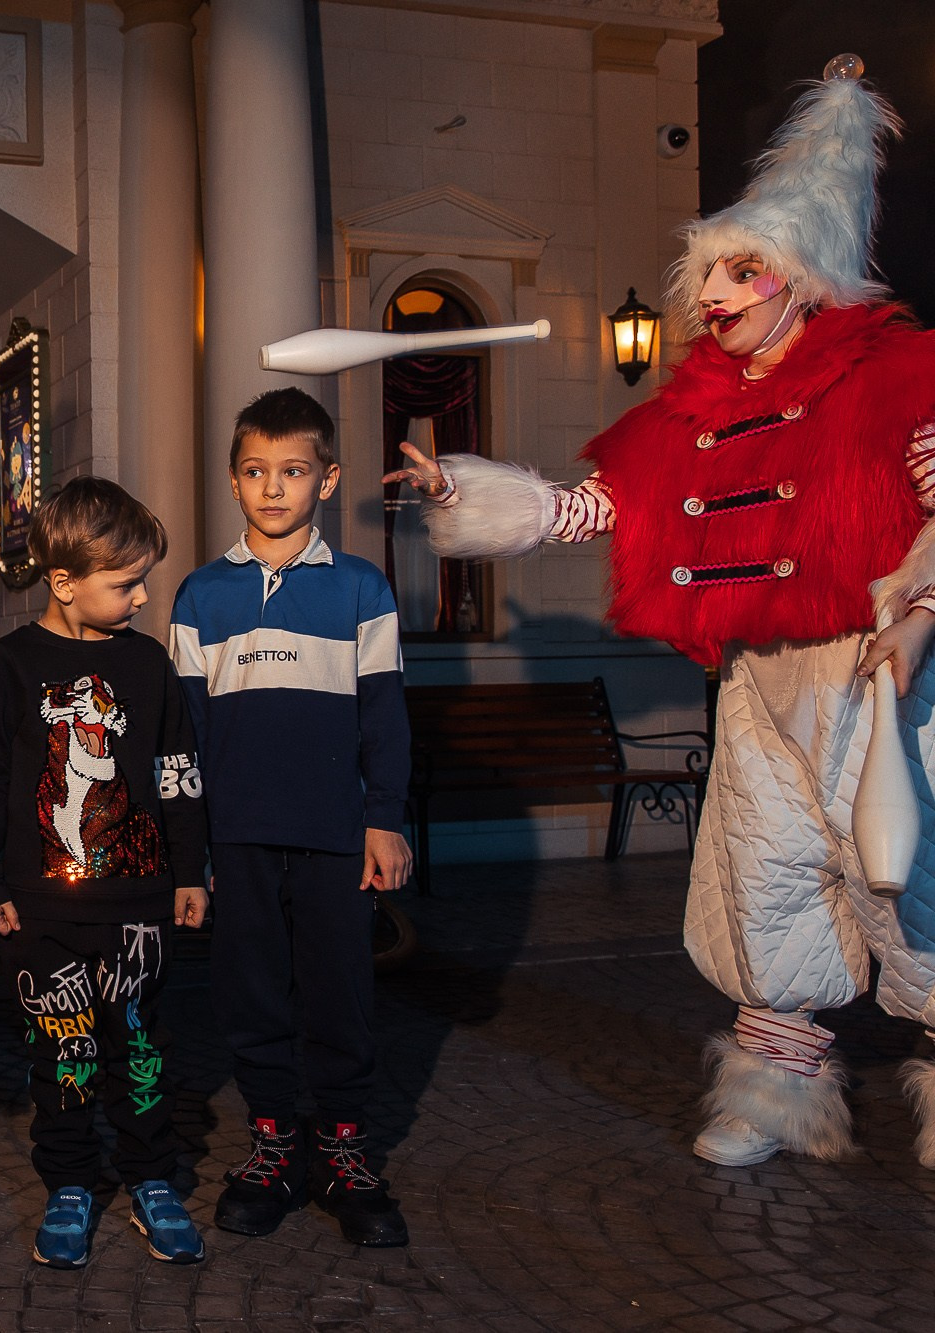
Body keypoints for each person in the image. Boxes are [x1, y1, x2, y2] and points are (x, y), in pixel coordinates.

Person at [386, 57, 935, 1170]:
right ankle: (775, 1086)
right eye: (708, 273)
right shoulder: (689, 410)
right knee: (761, 866)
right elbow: (602, 506)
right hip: (757, 681)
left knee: (913, 885)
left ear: (802, 279)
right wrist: (465, 493)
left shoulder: (899, 377)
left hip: (884, 672)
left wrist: (914, 613)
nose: (713, 294)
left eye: (741, 270)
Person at [171, 389, 413, 1248]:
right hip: (234, 833)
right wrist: (185, 850)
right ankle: (272, 1139)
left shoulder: (360, 587)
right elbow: (185, 735)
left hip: (335, 831)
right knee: (249, 987)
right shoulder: (200, 595)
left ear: (327, 478)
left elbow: (384, 715)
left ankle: (345, 1146)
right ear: (234, 480)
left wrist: (385, 818)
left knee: (341, 985)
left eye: (294, 471)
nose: (274, 487)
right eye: (256, 471)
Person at [0, 477, 210, 1270]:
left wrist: (189, 871)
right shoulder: (10, 665)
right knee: (61, 1046)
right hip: (41, 907)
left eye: (144, 579)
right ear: (63, 582)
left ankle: (150, 1178)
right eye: (125, 582)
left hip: (140, 902)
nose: (141, 595)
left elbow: (178, 769)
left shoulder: (147, 663)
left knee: (139, 1042)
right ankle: (69, 1181)